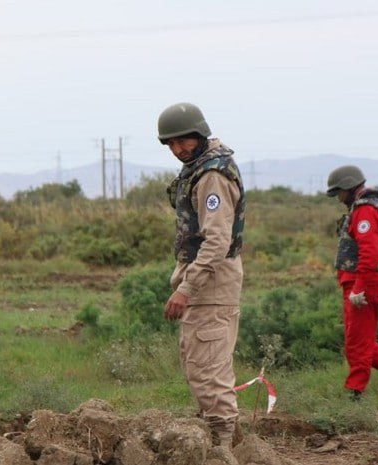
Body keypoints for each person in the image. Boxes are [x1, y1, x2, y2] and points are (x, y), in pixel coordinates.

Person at [158, 102, 245, 456]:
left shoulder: (211, 175)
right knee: (200, 365)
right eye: (172, 144)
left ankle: (222, 448)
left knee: (209, 372)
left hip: (210, 283)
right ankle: (219, 441)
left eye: (184, 141)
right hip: (204, 282)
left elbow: (217, 241)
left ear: (200, 134)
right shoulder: (199, 168)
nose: (179, 150)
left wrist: (186, 288)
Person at [326, 165, 378, 401]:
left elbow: (369, 253)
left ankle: (354, 396)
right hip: (356, 283)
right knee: (359, 341)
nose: (338, 198)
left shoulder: (365, 211)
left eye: (339, 192)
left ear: (350, 187)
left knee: (357, 346)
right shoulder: (362, 207)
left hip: (363, 285)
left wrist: (359, 289)